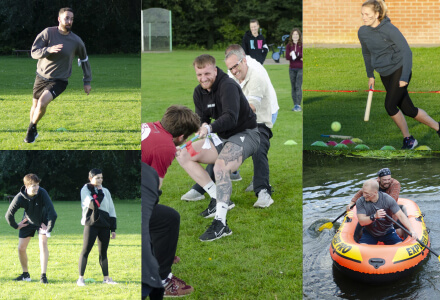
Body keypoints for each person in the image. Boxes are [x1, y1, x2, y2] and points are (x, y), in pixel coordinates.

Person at [176, 54, 260, 242]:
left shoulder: (228, 86)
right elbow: (202, 119)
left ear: (215, 70)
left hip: (246, 134)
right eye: (199, 74)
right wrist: (199, 127)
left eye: (207, 73)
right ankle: (220, 199)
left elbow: (231, 117)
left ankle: (221, 224)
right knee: (183, 154)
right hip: (221, 136)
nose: (203, 78)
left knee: (220, 167)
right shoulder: (199, 92)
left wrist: (210, 127)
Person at [358, 0, 440, 149]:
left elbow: (407, 52)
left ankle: (408, 139)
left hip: (400, 69)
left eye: (367, 14)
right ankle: (438, 128)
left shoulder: (389, 29)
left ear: (377, 14)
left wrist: (404, 77)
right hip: (384, 72)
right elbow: (366, 53)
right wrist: (370, 75)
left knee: (390, 106)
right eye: (362, 14)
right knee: (409, 110)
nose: (364, 17)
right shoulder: (362, 32)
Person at [141, 105, 200, 298]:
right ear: (182, 136)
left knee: (159, 219)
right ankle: (163, 279)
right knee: (169, 219)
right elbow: (153, 192)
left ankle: (160, 252)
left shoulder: (149, 126)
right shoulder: (165, 148)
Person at [25, 7, 92, 143]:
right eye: (66, 18)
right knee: (36, 105)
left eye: (71, 19)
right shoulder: (48, 33)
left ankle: (30, 129)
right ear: (59, 19)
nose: (69, 21)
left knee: (42, 103)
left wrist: (87, 81)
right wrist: (48, 50)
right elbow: (34, 52)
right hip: (41, 76)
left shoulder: (76, 41)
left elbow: (84, 59)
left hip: (59, 80)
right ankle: (34, 128)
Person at [224, 45, 274, 208]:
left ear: (244, 60)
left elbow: (251, 108)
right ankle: (208, 191)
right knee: (217, 145)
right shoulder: (230, 80)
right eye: (230, 68)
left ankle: (263, 193)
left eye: (235, 66)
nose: (233, 71)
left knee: (258, 149)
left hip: (259, 125)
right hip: (239, 125)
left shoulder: (257, 76)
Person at [5, 174, 57, 284]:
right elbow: (9, 215)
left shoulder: (42, 192)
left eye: (37, 185)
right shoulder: (20, 197)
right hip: (28, 221)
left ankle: (43, 276)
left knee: (43, 244)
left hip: (43, 221)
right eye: (33, 185)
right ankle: (25, 275)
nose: (36, 188)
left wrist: (48, 228)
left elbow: (53, 213)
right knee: (21, 248)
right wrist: (16, 225)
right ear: (26, 186)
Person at [77, 168, 117, 286]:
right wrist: (99, 192)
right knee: (85, 251)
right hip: (91, 224)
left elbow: (111, 210)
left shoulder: (106, 191)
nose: (100, 180)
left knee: (103, 252)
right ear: (90, 178)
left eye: (101, 177)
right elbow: (94, 204)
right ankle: (80, 279)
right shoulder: (85, 190)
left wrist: (113, 228)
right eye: (97, 178)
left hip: (104, 225)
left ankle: (106, 278)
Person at [356, 179, 416, 245]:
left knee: (400, 248)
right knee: (362, 249)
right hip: (370, 232)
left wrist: (411, 230)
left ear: (375, 192)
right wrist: (374, 216)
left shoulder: (387, 199)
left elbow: (401, 215)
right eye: (363, 192)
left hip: (388, 231)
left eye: (367, 193)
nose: (364, 195)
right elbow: (361, 222)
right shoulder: (360, 201)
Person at [285, 28, 303, 112]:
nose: (295, 36)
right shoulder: (289, 46)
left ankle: (298, 105)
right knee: (293, 87)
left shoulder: (302, 45)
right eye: (293, 34)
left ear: (299, 36)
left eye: (296, 34)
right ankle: (295, 104)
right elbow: (287, 57)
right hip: (291, 69)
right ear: (291, 36)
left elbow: (303, 55)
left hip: (300, 68)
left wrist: (297, 54)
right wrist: (298, 56)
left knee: (298, 86)